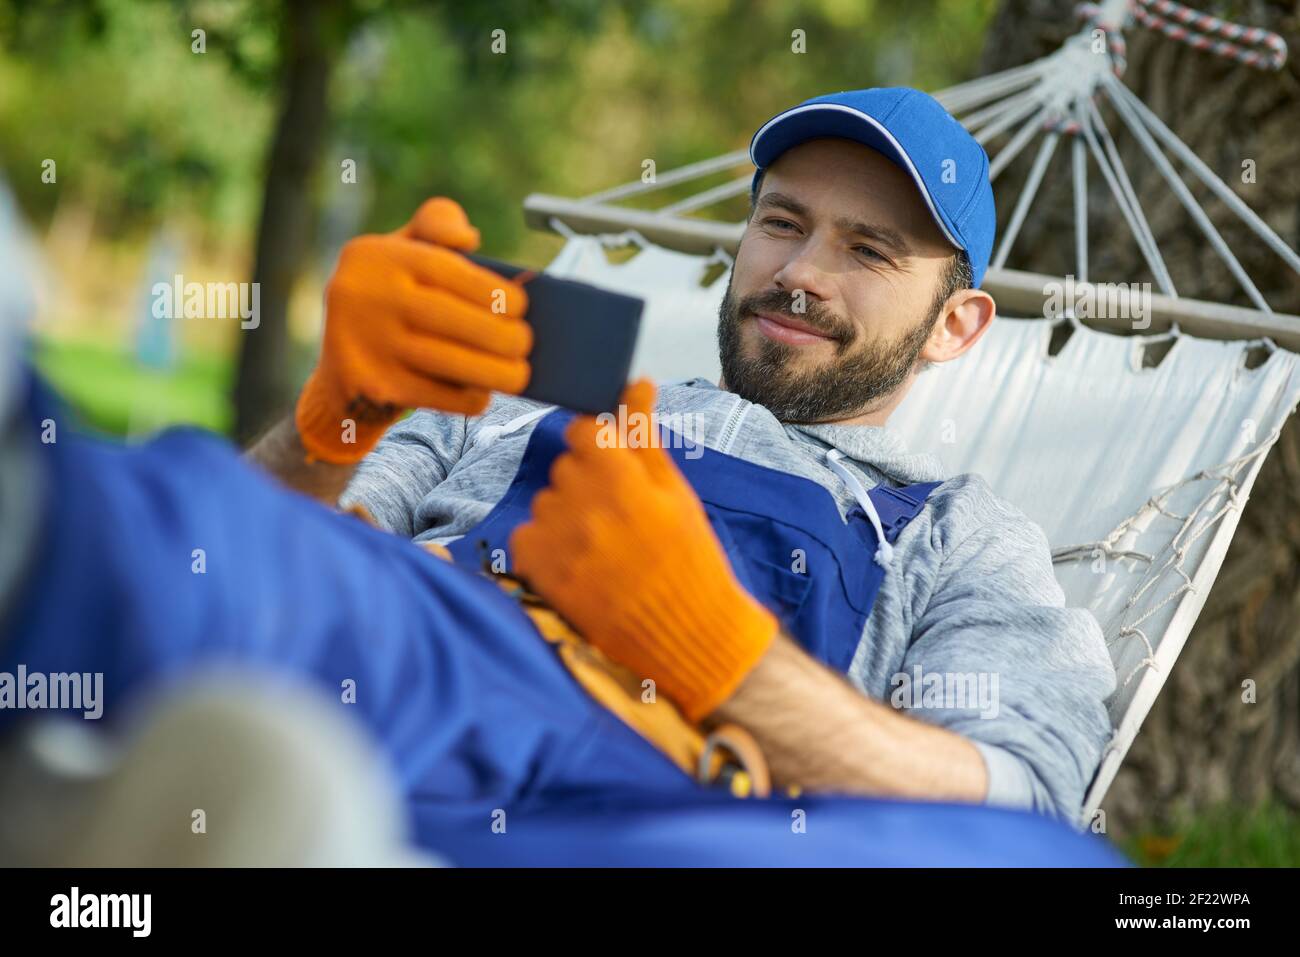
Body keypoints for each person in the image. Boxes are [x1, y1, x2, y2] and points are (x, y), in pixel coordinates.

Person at [248, 87, 1117, 822]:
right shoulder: (523, 396)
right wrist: (329, 426)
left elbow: (1023, 798)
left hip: (627, 814)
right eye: (782, 222)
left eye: (867, 250)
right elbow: (252, 572)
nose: (801, 274)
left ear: (954, 326)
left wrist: (725, 657)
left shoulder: (959, 534)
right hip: (373, 691)